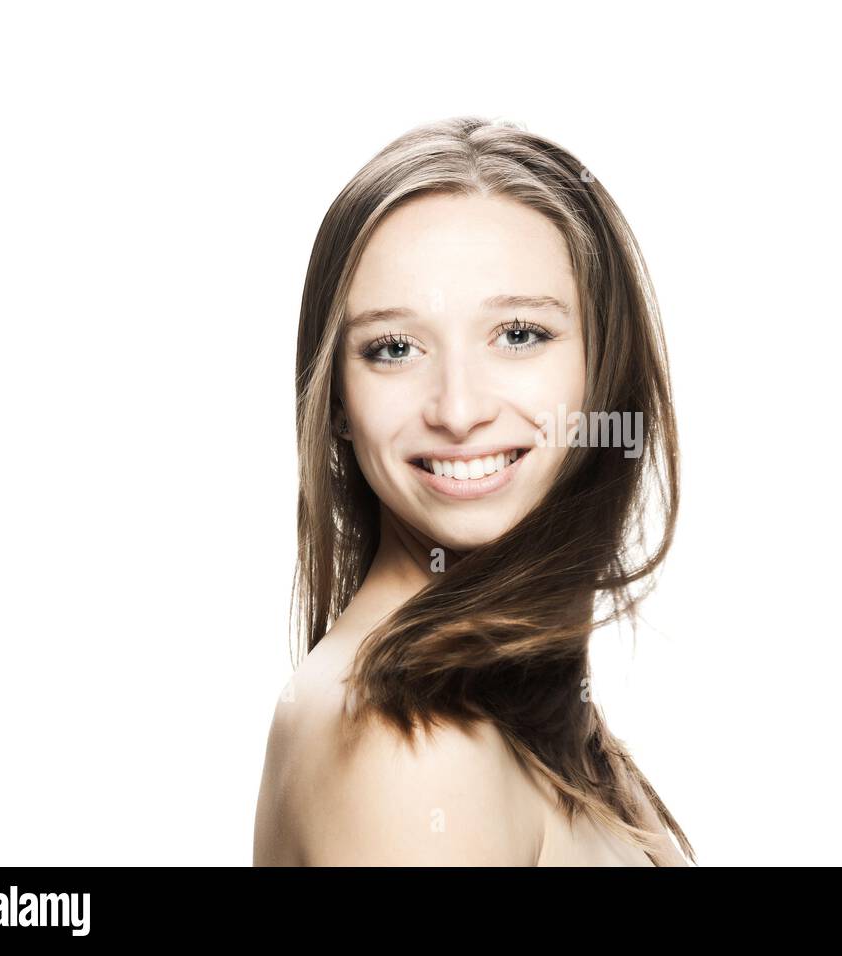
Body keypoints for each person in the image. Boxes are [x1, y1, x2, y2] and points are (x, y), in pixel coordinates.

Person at [252, 116, 694, 866]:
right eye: (394, 349)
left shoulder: (499, 695)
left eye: (518, 334)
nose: (458, 410)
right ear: (337, 403)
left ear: (604, 364)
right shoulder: (412, 743)